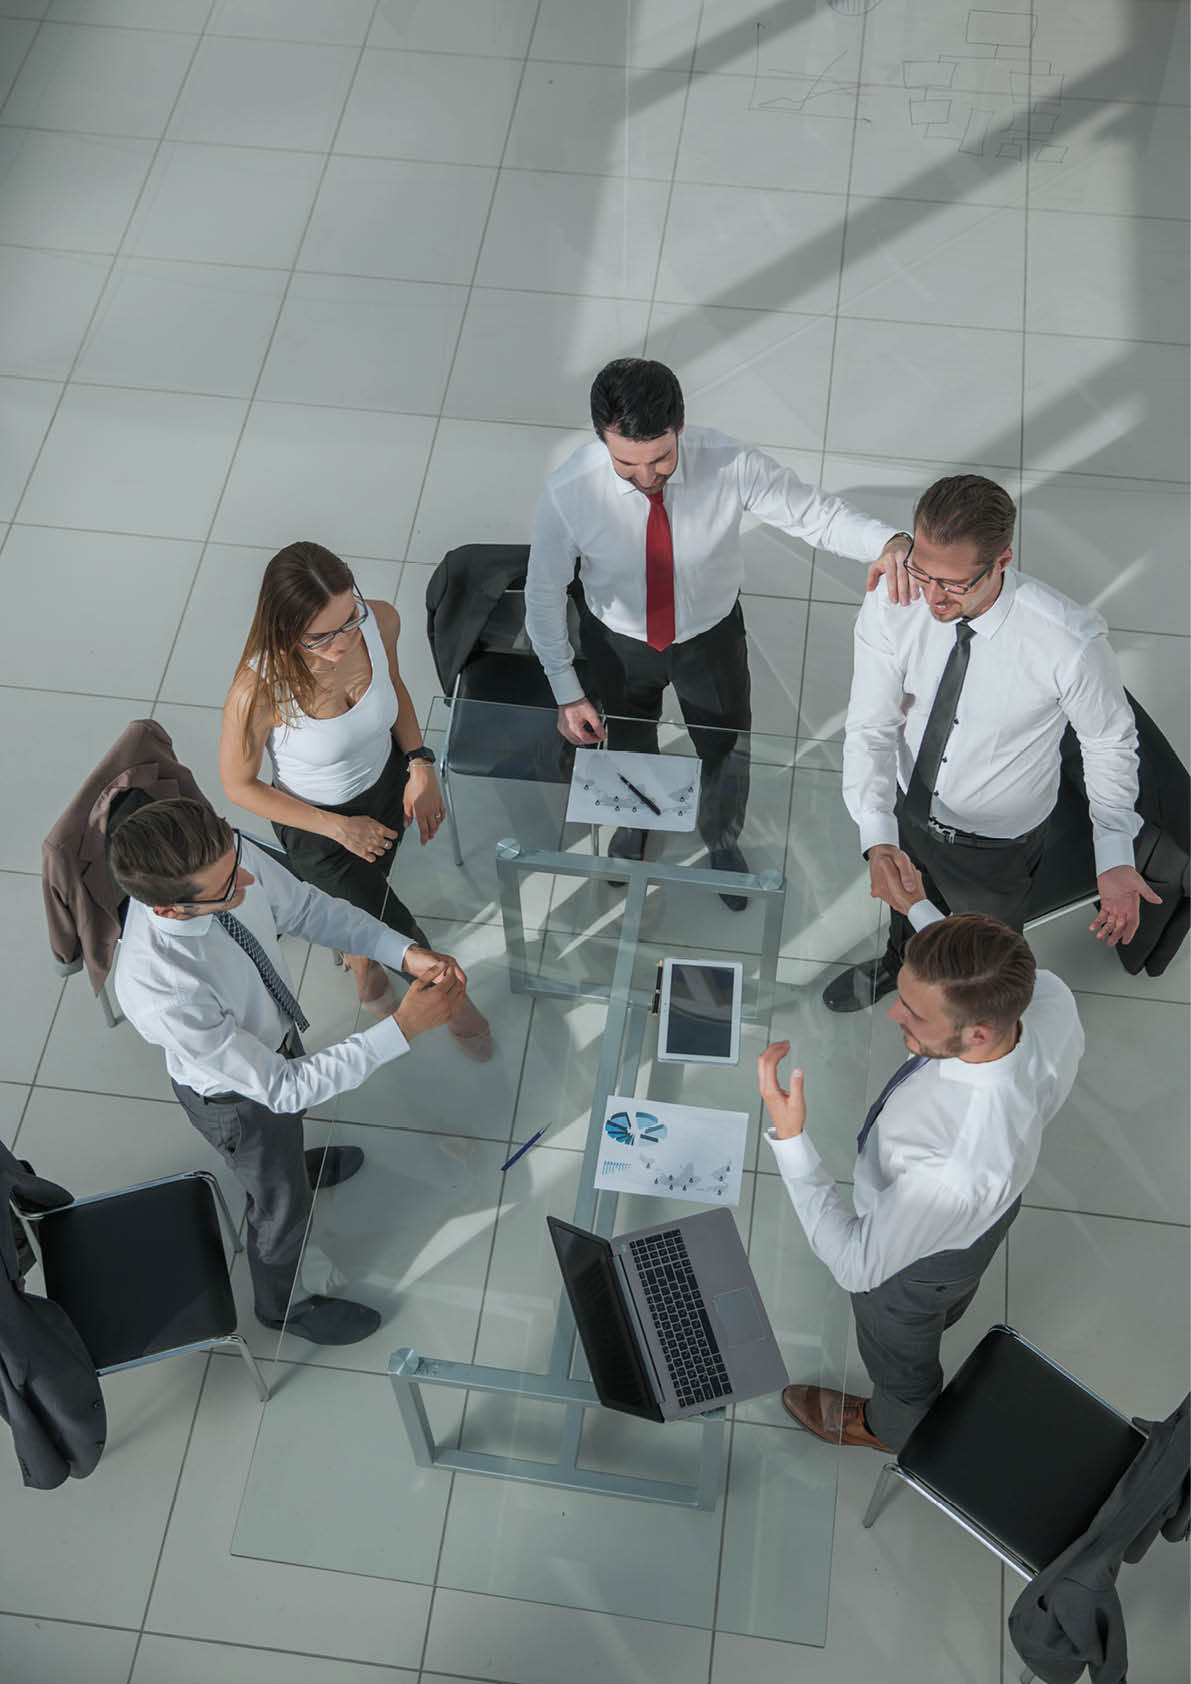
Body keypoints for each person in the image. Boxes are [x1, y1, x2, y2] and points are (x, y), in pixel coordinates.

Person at [524, 358, 913, 909]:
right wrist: (565, 687)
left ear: (680, 427)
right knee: (629, 741)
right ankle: (637, 822)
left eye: (659, 458)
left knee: (726, 746)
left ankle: (721, 836)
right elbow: (542, 593)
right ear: (601, 441)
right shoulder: (570, 491)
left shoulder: (729, 463)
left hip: (709, 637)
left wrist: (889, 541)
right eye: (625, 464)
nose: (645, 477)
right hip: (616, 642)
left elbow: (815, 515)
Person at [110, 798, 468, 1346]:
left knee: (288, 1138)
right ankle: (282, 1306)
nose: (248, 878)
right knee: (280, 1209)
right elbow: (279, 1087)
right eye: (228, 887)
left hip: (272, 1038)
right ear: (170, 910)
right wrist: (404, 1028)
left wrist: (401, 952)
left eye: (237, 858)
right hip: (238, 1102)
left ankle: (290, 1166)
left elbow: (308, 910)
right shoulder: (161, 991)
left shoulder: (224, 857)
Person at [758, 864, 1084, 1451]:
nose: (893, 1014)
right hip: (985, 1215)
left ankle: (891, 1426)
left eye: (913, 1013)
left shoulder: (953, 1167)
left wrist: (790, 1140)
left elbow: (856, 1266)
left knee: (899, 1349)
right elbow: (978, 978)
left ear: (979, 1034)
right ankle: (943, 1311)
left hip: (918, 1264)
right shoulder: (1047, 997)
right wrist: (918, 910)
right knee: (951, 1291)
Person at [825, 473, 1156, 1012]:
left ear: (1001, 561)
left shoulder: (1068, 643)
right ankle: (899, 960)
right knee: (907, 905)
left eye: (954, 584)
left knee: (982, 952)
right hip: (910, 802)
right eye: (922, 572)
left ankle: (966, 1019)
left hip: (997, 842)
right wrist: (878, 832)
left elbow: (1109, 742)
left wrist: (1114, 850)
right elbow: (871, 724)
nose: (930, 597)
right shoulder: (897, 598)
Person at [219, 540, 490, 1053]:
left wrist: (419, 764)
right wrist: (338, 827)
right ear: (283, 629)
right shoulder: (257, 691)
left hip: (386, 785)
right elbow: (239, 785)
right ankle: (458, 1009)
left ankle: (360, 967)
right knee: (397, 927)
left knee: (368, 901)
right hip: (317, 827)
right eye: (320, 636)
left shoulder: (379, 621)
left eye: (348, 620)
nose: (342, 642)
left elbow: (396, 688)